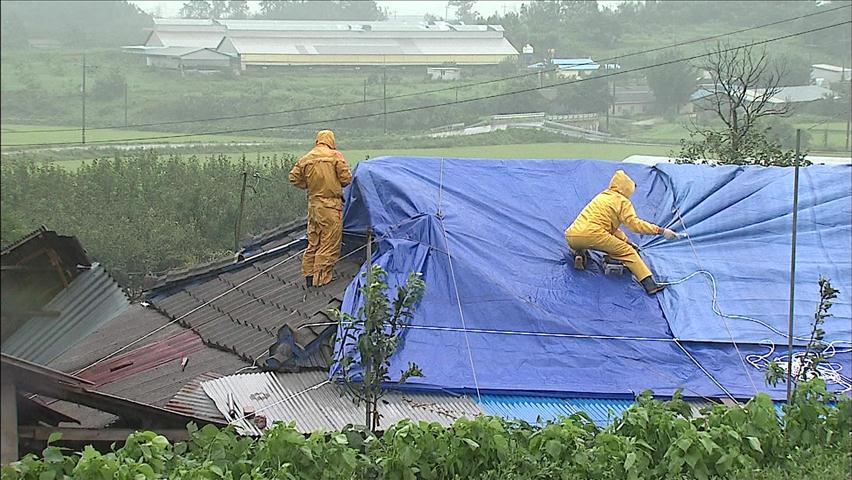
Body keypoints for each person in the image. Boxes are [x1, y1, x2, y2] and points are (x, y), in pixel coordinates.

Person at [565, 170, 677, 295]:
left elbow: (611, 230)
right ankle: (650, 284)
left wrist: (627, 240)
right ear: (627, 189)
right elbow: (635, 225)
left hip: (572, 235)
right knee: (627, 252)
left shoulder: (602, 196)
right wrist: (660, 231)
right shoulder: (623, 201)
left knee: (583, 241)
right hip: (594, 234)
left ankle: (579, 254)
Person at [289, 130, 352, 287]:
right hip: (330, 205)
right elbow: (346, 179)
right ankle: (321, 278)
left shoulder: (306, 158)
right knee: (329, 240)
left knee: (314, 240)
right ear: (331, 140)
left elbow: (293, 178)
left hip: (313, 205)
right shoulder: (335, 156)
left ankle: (309, 276)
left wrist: (309, 185)